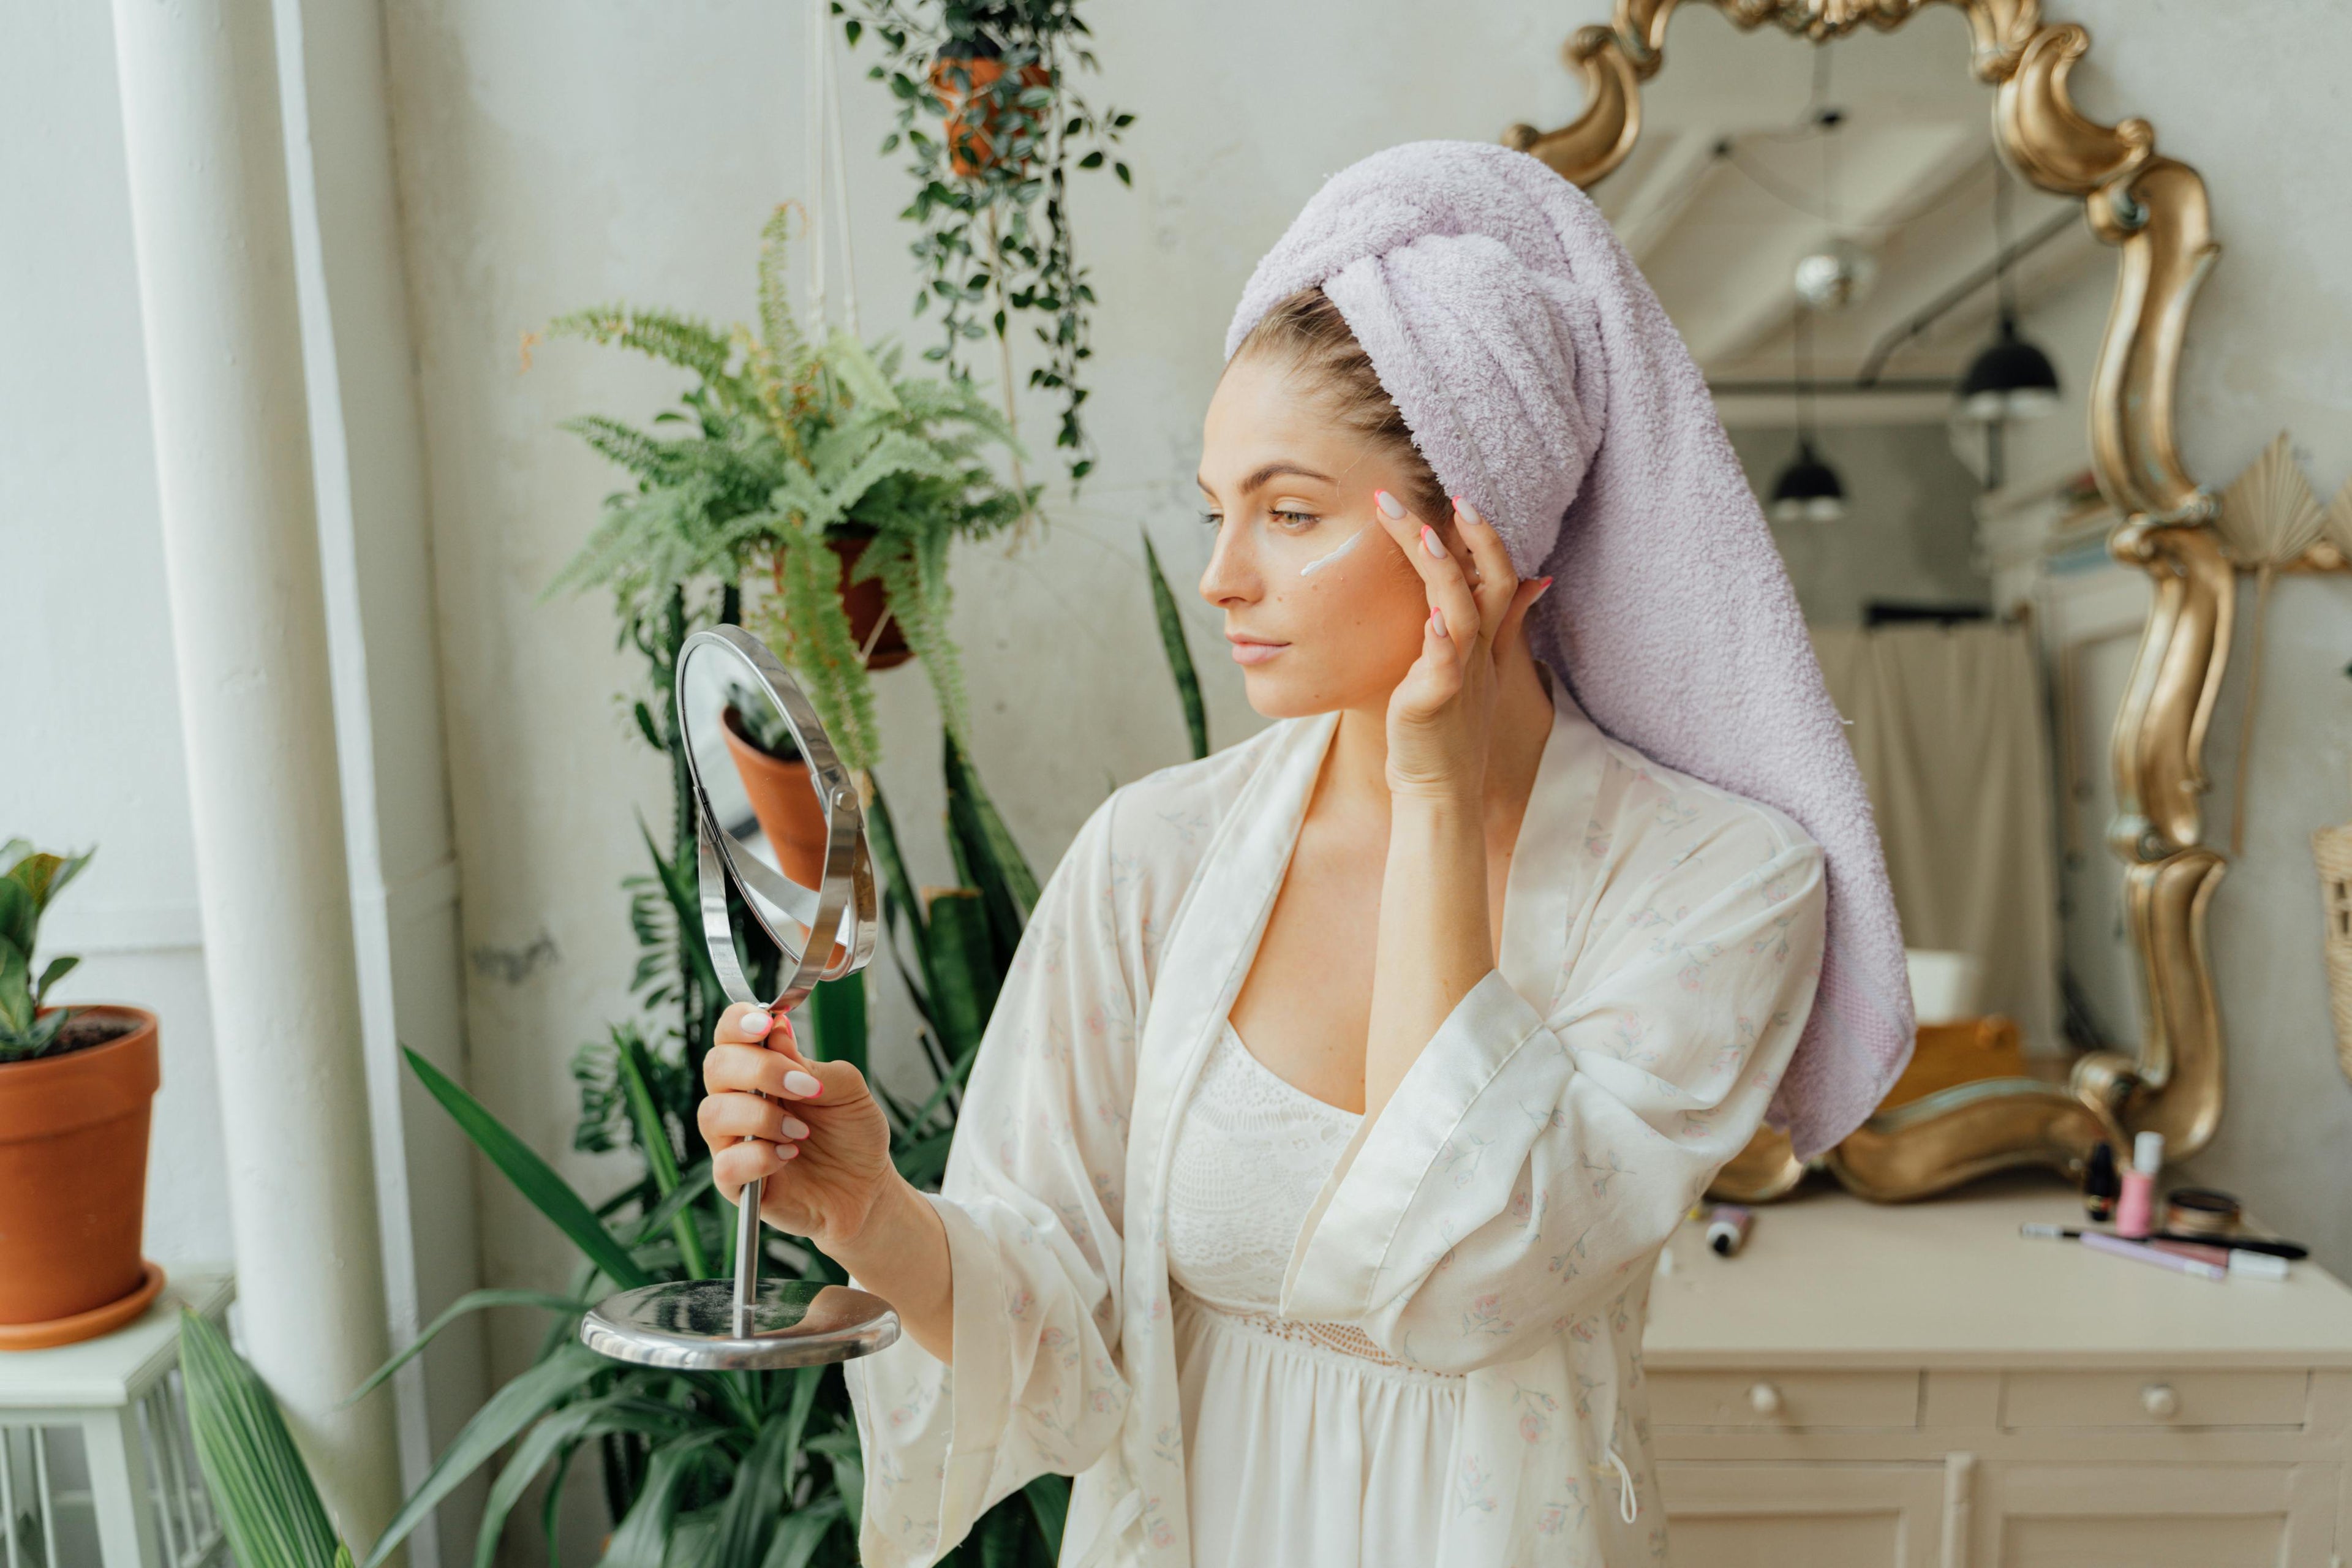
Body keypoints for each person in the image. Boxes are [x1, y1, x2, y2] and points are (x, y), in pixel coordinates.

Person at [697, 141, 1912, 1567]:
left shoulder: (1718, 884)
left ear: (1480, 533)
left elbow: (1459, 1276)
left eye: (1290, 513)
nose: (1222, 576)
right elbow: (1067, 1343)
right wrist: (872, 1212)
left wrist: (1436, 792)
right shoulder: (1156, 856)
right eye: (1221, 512)